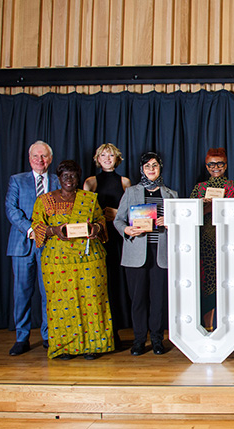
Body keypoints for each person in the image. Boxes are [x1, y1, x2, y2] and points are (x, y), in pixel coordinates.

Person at [31, 160, 113, 360]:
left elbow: (100, 221)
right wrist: (54, 230)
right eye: (65, 175)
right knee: (61, 302)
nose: (69, 179)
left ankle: (95, 346)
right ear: (58, 178)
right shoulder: (45, 200)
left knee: (92, 299)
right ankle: (64, 346)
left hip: (89, 258)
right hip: (57, 261)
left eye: (73, 175)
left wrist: (96, 229)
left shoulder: (89, 198)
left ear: (79, 177)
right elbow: (37, 226)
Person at [114, 152, 178, 356]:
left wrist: (170, 224)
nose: (151, 169)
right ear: (141, 169)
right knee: (138, 299)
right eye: (147, 166)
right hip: (136, 253)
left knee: (158, 299)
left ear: (161, 167)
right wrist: (126, 230)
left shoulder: (171, 194)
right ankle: (139, 340)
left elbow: (181, 224)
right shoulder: (131, 192)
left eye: (155, 165)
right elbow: (118, 220)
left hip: (161, 253)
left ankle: (158, 340)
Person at [5, 141, 59, 356]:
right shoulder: (17, 180)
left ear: (50, 159)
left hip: (50, 245)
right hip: (22, 245)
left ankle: (48, 336)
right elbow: (11, 209)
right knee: (22, 293)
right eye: (36, 156)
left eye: (44, 156)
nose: (40, 160)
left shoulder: (57, 181)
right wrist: (31, 230)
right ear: (29, 158)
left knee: (49, 293)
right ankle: (22, 337)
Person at [189, 148, 234, 331]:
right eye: (212, 164)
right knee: (208, 282)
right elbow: (189, 215)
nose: (216, 167)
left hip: (230, 241)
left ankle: (229, 327)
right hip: (205, 243)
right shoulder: (199, 188)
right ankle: (208, 326)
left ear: (226, 165)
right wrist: (204, 208)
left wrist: (224, 208)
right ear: (207, 166)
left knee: (230, 282)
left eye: (220, 163)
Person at [83, 143, 132, 347]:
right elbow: (85, 211)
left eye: (111, 155)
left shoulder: (125, 181)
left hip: (120, 237)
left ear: (117, 158)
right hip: (99, 238)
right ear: (97, 158)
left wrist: (118, 215)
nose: (107, 158)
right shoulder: (90, 181)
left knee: (119, 283)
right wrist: (101, 216)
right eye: (103, 155)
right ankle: (105, 330)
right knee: (102, 284)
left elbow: (133, 210)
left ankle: (120, 328)